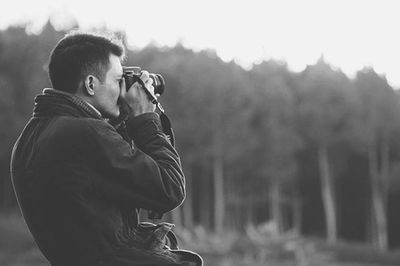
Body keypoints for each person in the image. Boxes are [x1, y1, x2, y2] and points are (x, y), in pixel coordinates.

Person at [10, 31, 199, 266]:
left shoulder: (30, 137)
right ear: (91, 84)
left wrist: (122, 121)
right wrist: (145, 118)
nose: (123, 89)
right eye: (118, 79)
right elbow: (169, 188)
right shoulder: (85, 134)